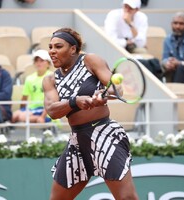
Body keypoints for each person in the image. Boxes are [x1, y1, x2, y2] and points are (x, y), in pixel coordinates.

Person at [43, 27, 138, 200]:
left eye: (58, 47)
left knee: (127, 198)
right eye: (50, 47)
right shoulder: (50, 79)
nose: (52, 51)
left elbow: (117, 89)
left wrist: (104, 95)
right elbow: (52, 110)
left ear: (73, 49)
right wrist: (75, 101)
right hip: (78, 141)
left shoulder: (90, 60)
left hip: (105, 134)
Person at [12, 49, 52, 123]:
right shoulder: (29, 78)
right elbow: (24, 98)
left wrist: (42, 116)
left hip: (45, 109)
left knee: (22, 117)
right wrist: (22, 110)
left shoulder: (52, 77)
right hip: (32, 108)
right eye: (36, 61)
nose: (38, 63)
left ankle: (41, 119)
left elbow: (52, 100)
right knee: (13, 116)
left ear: (48, 63)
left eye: (42, 60)